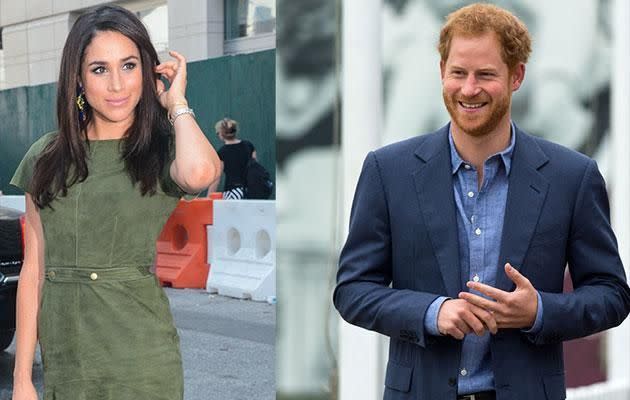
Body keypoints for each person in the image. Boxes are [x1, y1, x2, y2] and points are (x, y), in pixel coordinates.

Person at [333, 3, 630, 400]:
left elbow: (611, 294)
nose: (469, 89)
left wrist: (538, 311)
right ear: (442, 71)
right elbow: (352, 290)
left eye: (486, 75)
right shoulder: (388, 172)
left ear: (516, 76)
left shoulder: (571, 176)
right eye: (458, 73)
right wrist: (431, 312)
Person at [10, 5, 221, 400]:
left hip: (141, 360)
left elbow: (200, 175)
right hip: (67, 363)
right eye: (100, 69)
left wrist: (175, 104)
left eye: (128, 66)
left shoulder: (160, 150)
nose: (117, 85)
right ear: (78, 78)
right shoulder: (46, 157)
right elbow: (33, 271)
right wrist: (22, 378)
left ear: (146, 70)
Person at [208, 118, 257, 199]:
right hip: (251, 191)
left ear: (221, 134)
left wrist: (209, 197)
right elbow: (255, 168)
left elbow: (217, 178)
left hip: (232, 192)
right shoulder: (249, 146)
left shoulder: (222, 152)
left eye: (217, 133)